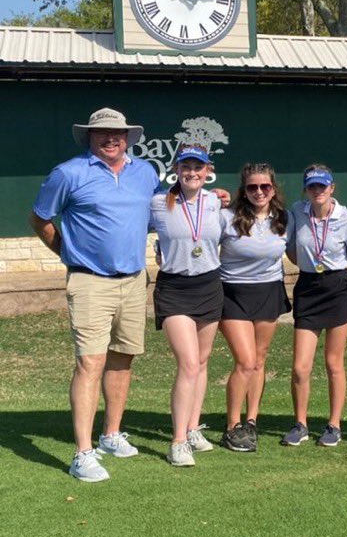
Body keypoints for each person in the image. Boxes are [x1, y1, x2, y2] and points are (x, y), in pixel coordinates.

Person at [30, 107, 159, 482]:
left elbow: (168, 208)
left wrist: (213, 197)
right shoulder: (68, 173)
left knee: (122, 358)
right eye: (102, 133)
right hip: (89, 282)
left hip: (134, 279)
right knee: (90, 363)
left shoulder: (145, 172)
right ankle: (82, 453)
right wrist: (66, 252)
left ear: (128, 137)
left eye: (118, 133)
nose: (111, 138)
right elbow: (39, 219)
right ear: (89, 136)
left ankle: (110, 435)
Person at [150, 145, 224, 467]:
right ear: (176, 170)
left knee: (203, 362)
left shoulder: (215, 202)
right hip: (174, 288)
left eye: (198, 167)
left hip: (209, 285)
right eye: (186, 167)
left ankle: (193, 428)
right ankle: (178, 441)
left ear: (207, 170)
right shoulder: (157, 204)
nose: (192, 172)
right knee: (189, 363)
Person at [281, 165, 347, 448]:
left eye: (323, 186)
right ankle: (300, 424)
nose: (318, 191)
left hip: (337, 287)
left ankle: (334, 424)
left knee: (333, 362)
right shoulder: (297, 213)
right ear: (306, 189)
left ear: (332, 188)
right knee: (301, 366)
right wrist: (306, 261)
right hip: (308, 286)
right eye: (312, 186)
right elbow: (290, 249)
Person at [217, 163, 292, 452]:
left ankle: (251, 421)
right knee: (245, 361)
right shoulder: (226, 217)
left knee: (259, 360)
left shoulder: (284, 218)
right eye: (252, 187)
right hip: (232, 293)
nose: (259, 192)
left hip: (269, 291)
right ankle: (232, 426)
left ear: (273, 189)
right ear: (243, 190)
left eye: (265, 186)